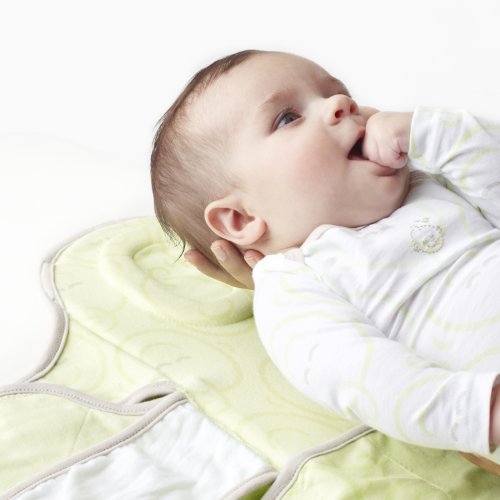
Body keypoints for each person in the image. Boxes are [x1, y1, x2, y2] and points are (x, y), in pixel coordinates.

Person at [151, 49, 500, 460]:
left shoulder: (432, 178)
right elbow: (365, 377)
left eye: (339, 92)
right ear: (241, 218)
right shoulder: (295, 282)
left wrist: (433, 133)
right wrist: (482, 413)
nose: (340, 104)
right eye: (287, 118)